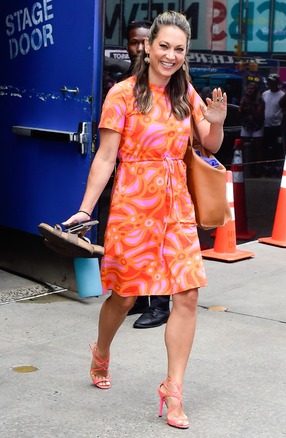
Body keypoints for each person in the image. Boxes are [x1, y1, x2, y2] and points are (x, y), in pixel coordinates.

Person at [62, 10, 226, 429]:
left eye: (179, 49)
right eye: (164, 46)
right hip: (134, 204)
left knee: (186, 295)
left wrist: (218, 123)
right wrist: (85, 208)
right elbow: (104, 157)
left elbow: (208, 143)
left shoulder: (184, 93)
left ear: (186, 55)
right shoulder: (122, 94)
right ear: (148, 47)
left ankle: (173, 391)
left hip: (178, 204)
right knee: (125, 296)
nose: (170, 55)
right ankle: (101, 350)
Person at [112, 19, 172, 329]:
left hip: (162, 179)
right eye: (133, 42)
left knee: (160, 244)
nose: (138, 48)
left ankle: (160, 305)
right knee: (137, 242)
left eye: (144, 42)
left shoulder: (171, 83)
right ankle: (138, 297)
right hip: (132, 179)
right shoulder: (123, 84)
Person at [261, 73, 285, 177]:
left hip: (277, 126)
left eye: (272, 82)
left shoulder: (282, 95)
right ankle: (266, 167)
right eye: (269, 82)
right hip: (265, 126)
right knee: (266, 148)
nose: (270, 84)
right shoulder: (265, 94)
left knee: (276, 148)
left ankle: (275, 167)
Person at [238, 80, 264, 177]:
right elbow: (239, 113)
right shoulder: (244, 99)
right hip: (246, 125)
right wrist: (242, 105)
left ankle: (258, 171)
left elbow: (259, 116)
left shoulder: (260, 101)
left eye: (252, 89)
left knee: (258, 149)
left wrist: (251, 105)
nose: (249, 91)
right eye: (248, 89)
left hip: (257, 126)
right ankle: (245, 169)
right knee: (243, 147)